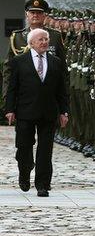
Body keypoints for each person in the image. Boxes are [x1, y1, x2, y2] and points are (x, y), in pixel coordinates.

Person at [4, 28, 69, 197]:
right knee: (24, 147)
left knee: (45, 149)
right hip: (25, 111)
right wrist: (9, 109)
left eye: (46, 39)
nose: (44, 42)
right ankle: (24, 173)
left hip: (48, 112)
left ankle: (43, 184)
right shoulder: (19, 61)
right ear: (31, 43)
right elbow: (12, 88)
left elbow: (62, 90)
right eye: (40, 39)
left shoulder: (55, 62)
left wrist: (64, 112)